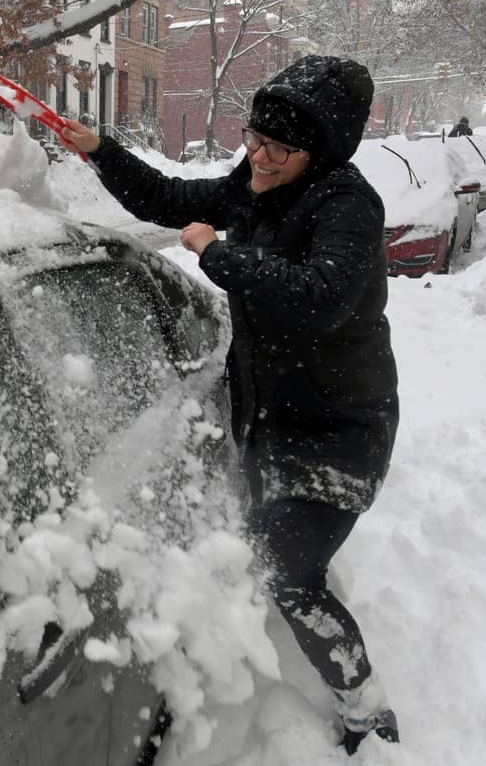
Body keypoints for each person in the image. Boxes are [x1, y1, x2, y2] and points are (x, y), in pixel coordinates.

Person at [59, 55, 401, 755]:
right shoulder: (255, 185)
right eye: (254, 138)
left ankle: (367, 708)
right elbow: (168, 198)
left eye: (279, 148)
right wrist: (100, 150)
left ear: (320, 152)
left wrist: (217, 255)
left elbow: (320, 296)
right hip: (270, 414)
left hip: (342, 427)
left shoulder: (348, 207)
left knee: (285, 566)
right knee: (273, 537)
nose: (259, 157)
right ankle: (307, 581)